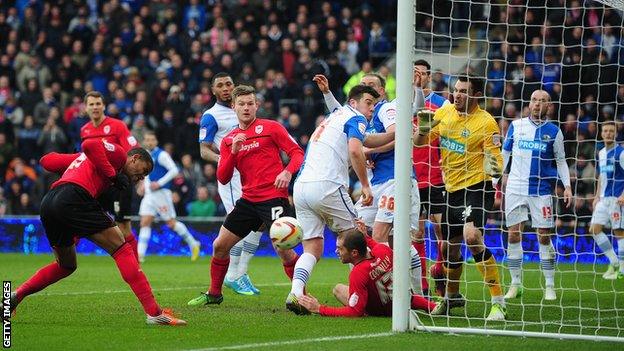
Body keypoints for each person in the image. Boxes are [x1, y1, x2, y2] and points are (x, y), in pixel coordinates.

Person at [10, 138, 186, 325]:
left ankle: (15, 296)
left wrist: (77, 161)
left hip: (49, 203)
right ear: (134, 158)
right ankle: (154, 313)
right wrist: (111, 174)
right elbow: (90, 145)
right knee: (122, 248)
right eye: (143, 172)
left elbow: (46, 160)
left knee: (65, 265)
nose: (141, 178)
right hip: (75, 198)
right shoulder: (119, 155)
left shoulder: (86, 159)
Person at [187, 85, 305, 306]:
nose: (246, 107)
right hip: (248, 200)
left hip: (274, 198)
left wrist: (287, 172)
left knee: (284, 250)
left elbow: (297, 152)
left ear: (257, 106)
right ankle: (214, 294)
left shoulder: (272, 127)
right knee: (220, 246)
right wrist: (232, 152)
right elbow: (223, 177)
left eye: (250, 103)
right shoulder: (229, 140)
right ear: (233, 107)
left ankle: (301, 295)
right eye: (241, 104)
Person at [287, 84, 400, 314]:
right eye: (368, 102)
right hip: (328, 185)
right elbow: (356, 150)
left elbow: (369, 140)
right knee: (358, 239)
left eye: (374, 104)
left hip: (302, 187)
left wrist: (398, 132)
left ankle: (296, 293)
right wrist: (365, 186)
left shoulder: (334, 117)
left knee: (312, 247)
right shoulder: (355, 117)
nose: (371, 109)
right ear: (354, 103)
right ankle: (363, 299)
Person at [312, 72, 424, 296]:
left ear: (381, 92)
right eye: (363, 86)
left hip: (396, 180)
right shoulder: (363, 119)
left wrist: (367, 151)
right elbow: (341, 112)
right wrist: (327, 93)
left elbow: (399, 135)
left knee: (382, 236)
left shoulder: (386, 109)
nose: (367, 89)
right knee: (356, 235)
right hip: (376, 184)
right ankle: (362, 289)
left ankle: (409, 296)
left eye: (372, 86)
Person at [414, 74, 506, 321]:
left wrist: (494, 176)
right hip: (451, 189)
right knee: (450, 249)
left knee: (472, 236)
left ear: (476, 95)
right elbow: (419, 143)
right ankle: (451, 297)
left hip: (478, 187)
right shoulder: (444, 114)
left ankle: (498, 302)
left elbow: (497, 162)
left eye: (464, 91)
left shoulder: (487, 123)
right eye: (456, 90)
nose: (457, 94)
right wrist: (423, 127)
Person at [502, 90, 573, 300]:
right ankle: (515, 283)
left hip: (541, 190)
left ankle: (549, 285)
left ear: (548, 105)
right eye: (534, 100)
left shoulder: (554, 131)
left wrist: (567, 186)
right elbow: (505, 153)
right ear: (529, 103)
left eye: (542, 101)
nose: (537, 104)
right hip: (515, 188)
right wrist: (495, 178)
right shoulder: (516, 126)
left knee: (543, 236)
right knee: (513, 234)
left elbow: (560, 161)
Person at [198, 73, 263, 295]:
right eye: (220, 86)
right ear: (213, 90)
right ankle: (234, 274)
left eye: (228, 84)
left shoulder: (243, 108)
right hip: (232, 178)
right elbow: (204, 149)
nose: (225, 88)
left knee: (260, 223)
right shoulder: (211, 116)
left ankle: (239, 273)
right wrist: (225, 159)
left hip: (254, 175)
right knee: (240, 224)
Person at [298, 228, 437, 317]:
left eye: (340, 249)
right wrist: (365, 235)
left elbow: (355, 312)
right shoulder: (383, 250)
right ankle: (432, 306)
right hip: (402, 301)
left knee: (338, 289)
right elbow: (374, 245)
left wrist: (319, 308)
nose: (336, 252)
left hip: (382, 311)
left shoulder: (358, 272)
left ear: (354, 252)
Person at [80, 91, 140, 260]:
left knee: (124, 226)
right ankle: (64, 258)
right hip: (98, 186)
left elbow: (133, 150)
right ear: (86, 108)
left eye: (98, 103)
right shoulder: (84, 130)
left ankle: (136, 268)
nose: (95, 107)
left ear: (104, 106)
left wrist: (134, 177)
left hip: (118, 185)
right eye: (91, 104)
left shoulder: (118, 126)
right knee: (82, 219)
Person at [412, 59, 450, 298]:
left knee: (441, 231)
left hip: (436, 175)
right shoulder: (402, 104)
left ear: (428, 77)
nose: (417, 76)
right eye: (413, 72)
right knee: (415, 232)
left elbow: (447, 136)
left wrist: (446, 165)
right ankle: (422, 286)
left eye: (421, 73)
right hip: (412, 177)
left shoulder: (442, 104)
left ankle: (441, 273)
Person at [137, 131, 201, 263]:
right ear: (144, 141)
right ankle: (139, 255)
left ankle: (193, 243)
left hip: (161, 193)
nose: (149, 142)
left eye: (152, 140)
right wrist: (143, 184)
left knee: (171, 223)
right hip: (149, 194)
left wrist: (159, 183)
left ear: (156, 141)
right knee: (145, 222)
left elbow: (174, 170)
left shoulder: (162, 155)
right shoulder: (146, 154)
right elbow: (148, 173)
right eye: (147, 140)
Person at [589, 121, 624, 280]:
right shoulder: (601, 152)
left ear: (615, 133)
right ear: (601, 133)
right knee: (594, 230)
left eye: (611, 131)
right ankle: (614, 262)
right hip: (603, 199)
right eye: (605, 131)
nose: (608, 133)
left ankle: (622, 270)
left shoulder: (621, 153)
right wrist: (596, 196)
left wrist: (623, 195)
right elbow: (601, 176)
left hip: (617, 199)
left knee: (620, 233)